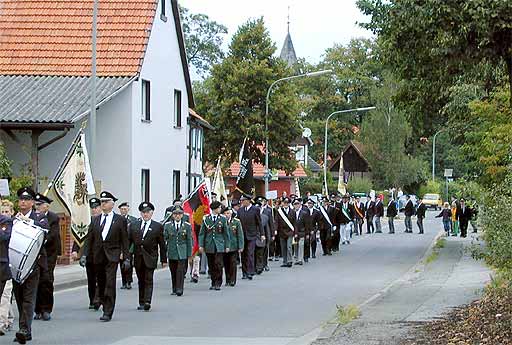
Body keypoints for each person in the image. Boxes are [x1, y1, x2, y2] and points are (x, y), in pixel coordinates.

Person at [83, 191, 129, 322]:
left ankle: (108, 311)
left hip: (112, 257)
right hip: (98, 256)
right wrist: (85, 255)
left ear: (112, 204)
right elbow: (89, 239)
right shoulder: (96, 220)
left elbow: (125, 240)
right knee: (101, 283)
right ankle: (103, 302)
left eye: (105, 202)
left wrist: (126, 257)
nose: (102, 204)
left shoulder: (120, 220)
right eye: (101, 202)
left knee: (110, 283)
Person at [13, 187, 49, 344]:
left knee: (29, 297)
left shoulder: (39, 218)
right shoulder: (13, 218)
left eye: (26, 199)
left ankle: (24, 329)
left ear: (33, 202)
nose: (23, 202)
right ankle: (25, 328)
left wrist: (30, 222)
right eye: (21, 199)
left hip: (34, 264)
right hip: (16, 265)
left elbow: (47, 232)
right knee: (19, 297)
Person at [129, 202, 166, 311]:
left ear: (152, 213)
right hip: (138, 257)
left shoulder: (157, 226)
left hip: (150, 257)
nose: (145, 214)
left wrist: (164, 259)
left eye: (147, 212)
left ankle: (147, 301)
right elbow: (129, 241)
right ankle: (141, 301)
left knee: (148, 279)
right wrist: (127, 255)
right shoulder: (134, 225)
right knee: (141, 280)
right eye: (143, 212)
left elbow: (162, 244)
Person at [33, 193, 61, 321]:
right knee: (36, 281)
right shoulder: (33, 216)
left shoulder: (53, 218)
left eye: (40, 205)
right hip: (35, 254)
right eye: (36, 204)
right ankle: (37, 309)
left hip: (49, 253)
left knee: (46, 280)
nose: (37, 207)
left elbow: (52, 236)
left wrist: (39, 241)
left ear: (47, 206)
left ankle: (46, 309)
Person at [71, 197, 102, 310]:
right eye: (92, 208)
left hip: (102, 254)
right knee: (91, 279)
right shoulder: (86, 221)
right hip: (89, 254)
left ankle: (98, 298)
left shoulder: (104, 220)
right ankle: (92, 299)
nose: (94, 210)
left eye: (96, 207)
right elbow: (79, 237)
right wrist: (75, 250)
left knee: (101, 278)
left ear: (100, 208)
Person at [198, 201, 230, 290]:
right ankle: (213, 282)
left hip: (219, 245)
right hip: (209, 245)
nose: (220, 209)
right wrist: (201, 245)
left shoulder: (223, 219)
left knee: (218, 264)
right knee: (211, 264)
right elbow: (202, 234)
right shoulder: (206, 219)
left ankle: (218, 283)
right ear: (215, 209)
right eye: (219, 208)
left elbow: (226, 234)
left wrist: (227, 245)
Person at [164, 206, 192, 296]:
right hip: (172, 251)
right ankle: (174, 288)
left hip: (182, 252)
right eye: (175, 214)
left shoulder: (187, 226)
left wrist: (189, 253)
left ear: (182, 215)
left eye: (179, 214)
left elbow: (189, 240)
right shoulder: (168, 225)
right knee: (173, 270)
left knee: (180, 271)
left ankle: (180, 288)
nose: (177, 216)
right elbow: (165, 238)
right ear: (172, 215)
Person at [237, 195, 263, 280]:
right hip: (242, 235)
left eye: (243, 200)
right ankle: (244, 273)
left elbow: (259, 222)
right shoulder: (240, 210)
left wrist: (262, 234)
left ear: (248, 201)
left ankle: (250, 272)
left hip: (252, 235)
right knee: (243, 254)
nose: (242, 202)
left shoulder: (255, 210)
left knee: (250, 253)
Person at [222, 207, 244, 286]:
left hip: (234, 246)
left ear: (231, 213)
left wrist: (241, 246)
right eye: (225, 213)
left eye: (228, 213)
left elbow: (240, 235)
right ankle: (227, 279)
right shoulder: (221, 222)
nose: (226, 215)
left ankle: (232, 280)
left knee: (233, 263)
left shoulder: (236, 222)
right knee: (226, 263)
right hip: (224, 246)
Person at [118, 202, 137, 290]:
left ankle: (129, 281)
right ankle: (124, 282)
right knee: (122, 265)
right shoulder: (117, 220)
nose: (123, 211)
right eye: (122, 209)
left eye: (125, 209)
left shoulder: (133, 220)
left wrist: (131, 249)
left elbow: (135, 236)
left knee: (128, 264)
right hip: (120, 246)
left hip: (129, 246)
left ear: (128, 209)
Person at [0, 210, 13, 336]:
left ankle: (3, 322)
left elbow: (4, 237)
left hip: (1, 267)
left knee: (4, 296)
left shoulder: (6, 221)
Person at [274, 197, 296, 268]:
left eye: (287, 203)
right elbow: (276, 221)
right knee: (283, 247)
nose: (286, 204)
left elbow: (295, 223)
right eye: (284, 203)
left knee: (289, 246)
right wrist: (275, 230)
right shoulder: (279, 211)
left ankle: (289, 261)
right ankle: (285, 261)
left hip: (290, 232)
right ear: (283, 203)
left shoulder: (293, 211)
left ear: (289, 204)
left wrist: (295, 232)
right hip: (282, 232)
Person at [255, 197, 271, 274]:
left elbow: (267, 228)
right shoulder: (251, 216)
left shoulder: (265, 217)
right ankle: (255, 267)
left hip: (262, 238)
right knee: (254, 254)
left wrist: (268, 238)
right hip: (253, 237)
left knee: (260, 254)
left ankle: (260, 267)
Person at [292, 199, 306, 265]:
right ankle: (296, 259)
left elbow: (307, 224)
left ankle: (300, 259)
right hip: (294, 232)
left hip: (302, 232)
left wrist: (307, 232)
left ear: (300, 205)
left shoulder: (304, 213)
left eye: (297, 204)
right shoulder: (291, 213)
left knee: (301, 245)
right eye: (295, 204)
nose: (296, 205)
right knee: (295, 246)